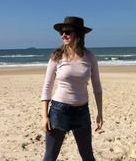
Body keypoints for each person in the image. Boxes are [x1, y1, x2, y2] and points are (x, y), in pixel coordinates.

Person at [41, 16, 103, 161]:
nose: (64, 35)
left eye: (68, 31)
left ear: (78, 34)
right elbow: (47, 87)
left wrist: (100, 113)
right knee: (50, 157)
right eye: (61, 32)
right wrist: (44, 116)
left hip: (82, 112)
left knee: (88, 157)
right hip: (58, 111)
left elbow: (97, 87)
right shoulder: (57, 56)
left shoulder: (90, 57)